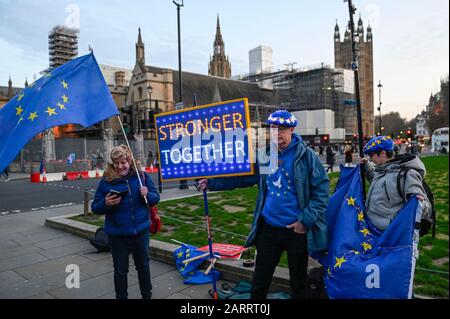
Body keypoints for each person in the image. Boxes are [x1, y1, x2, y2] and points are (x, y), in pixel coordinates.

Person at [198, 110, 329, 299]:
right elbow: (244, 178)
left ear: (292, 129)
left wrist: (305, 221)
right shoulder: (266, 154)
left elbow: (321, 191)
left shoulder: (306, 157)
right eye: (273, 129)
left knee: (299, 283)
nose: (277, 134)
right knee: (259, 282)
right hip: (268, 228)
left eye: (282, 129)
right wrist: (212, 183)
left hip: (296, 231)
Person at [91, 145, 160, 299]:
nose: (120, 166)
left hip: (141, 232)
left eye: (123, 162)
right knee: (120, 271)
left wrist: (147, 195)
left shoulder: (141, 176)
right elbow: (95, 207)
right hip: (118, 235)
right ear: (112, 164)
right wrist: (106, 203)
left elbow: (156, 198)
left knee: (143, 267)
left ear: (129, 161)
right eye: (116, 163)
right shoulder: (106, 181)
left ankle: (146, 295)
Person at [359, 136, 432, 232]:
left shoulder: (407, 174)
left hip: (389, 235)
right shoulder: (382, 169)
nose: (370, 158)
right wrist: (367, 166)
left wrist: (419, 203)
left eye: (371, 155)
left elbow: (426, 207)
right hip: (372, 231)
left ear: (382, 153)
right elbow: (382, 185)